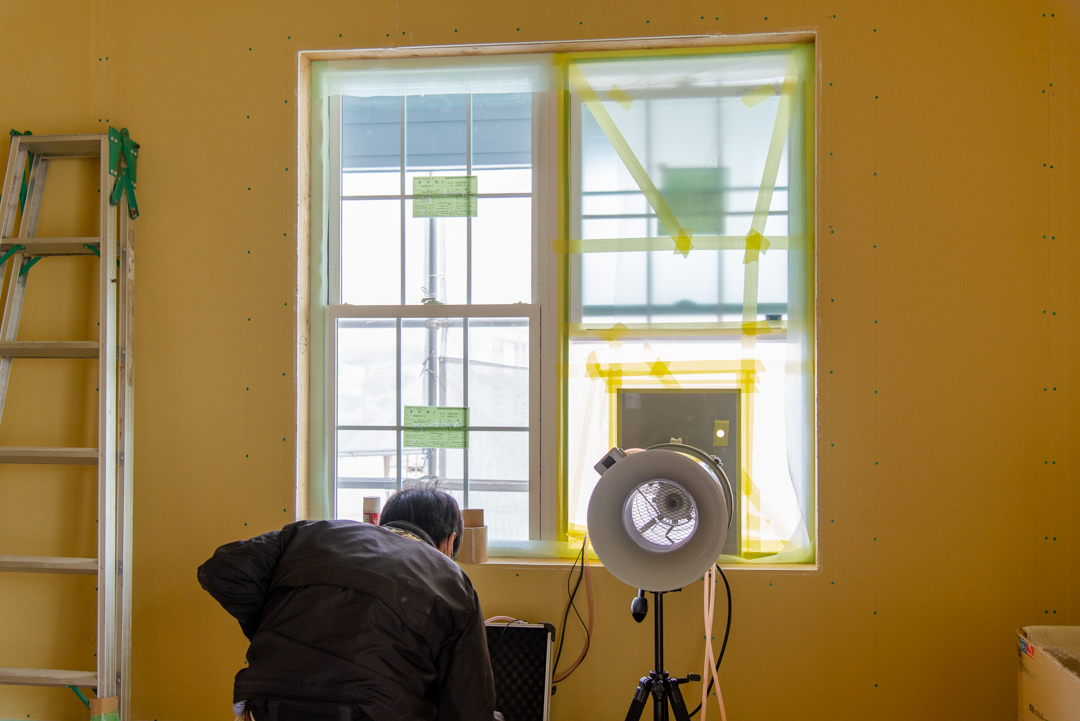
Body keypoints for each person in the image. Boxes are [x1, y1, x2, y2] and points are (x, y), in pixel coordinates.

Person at [197, 484, 500, 721]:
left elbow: (221, 570)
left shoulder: (310, 532)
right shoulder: (450, 576)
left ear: (383, 521)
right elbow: (467, 707)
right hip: (373, 710)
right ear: (448, 542)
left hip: (269, 696)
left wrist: (272, 628)